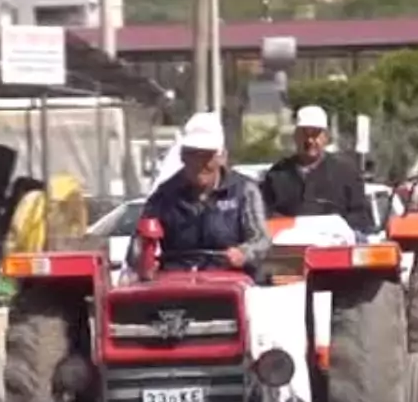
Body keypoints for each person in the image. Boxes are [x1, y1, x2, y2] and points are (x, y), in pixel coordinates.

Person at [123, 111, 271, 276]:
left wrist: (244, 253)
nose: (199, 164)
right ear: (182, 156)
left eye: (206, 156)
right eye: (192, 155)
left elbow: (261, 239)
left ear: (221, 157)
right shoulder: (164, 195)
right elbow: (137, 245)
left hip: (229, 280)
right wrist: (145, 261)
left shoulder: (244, 191)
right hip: (176, 284)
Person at [260, 105, 376, 233]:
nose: (309, 141)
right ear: (295, 136)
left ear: (325, 137)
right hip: (288, 247)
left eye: (315, 135)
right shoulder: (277, 174)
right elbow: (265, 216)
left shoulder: (346, 172)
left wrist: (334, 226)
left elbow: (361, 217)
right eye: (304, 134)